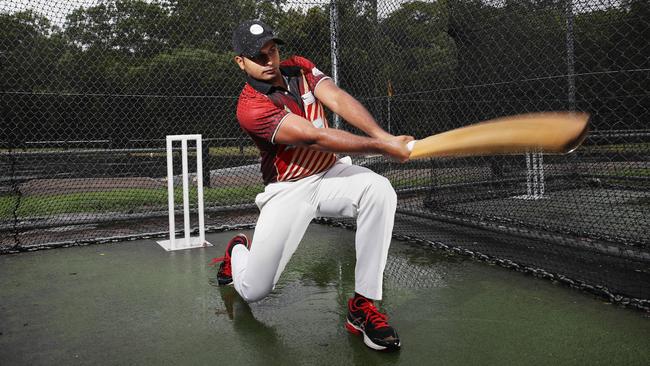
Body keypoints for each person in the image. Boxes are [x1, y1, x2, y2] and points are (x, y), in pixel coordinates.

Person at [211, 19, 413, 352]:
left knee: (379, 190)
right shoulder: (251, 107)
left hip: (331, 173)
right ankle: (236, 251)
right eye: (258, 57)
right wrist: (382, 148)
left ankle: (364, 306)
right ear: (240, 62)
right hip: (288, 190)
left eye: (272, 51)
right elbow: (313, 137)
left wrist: (383, 136)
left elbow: (336, 98)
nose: (269, 61)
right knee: (254, 291)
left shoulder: (300, 68)